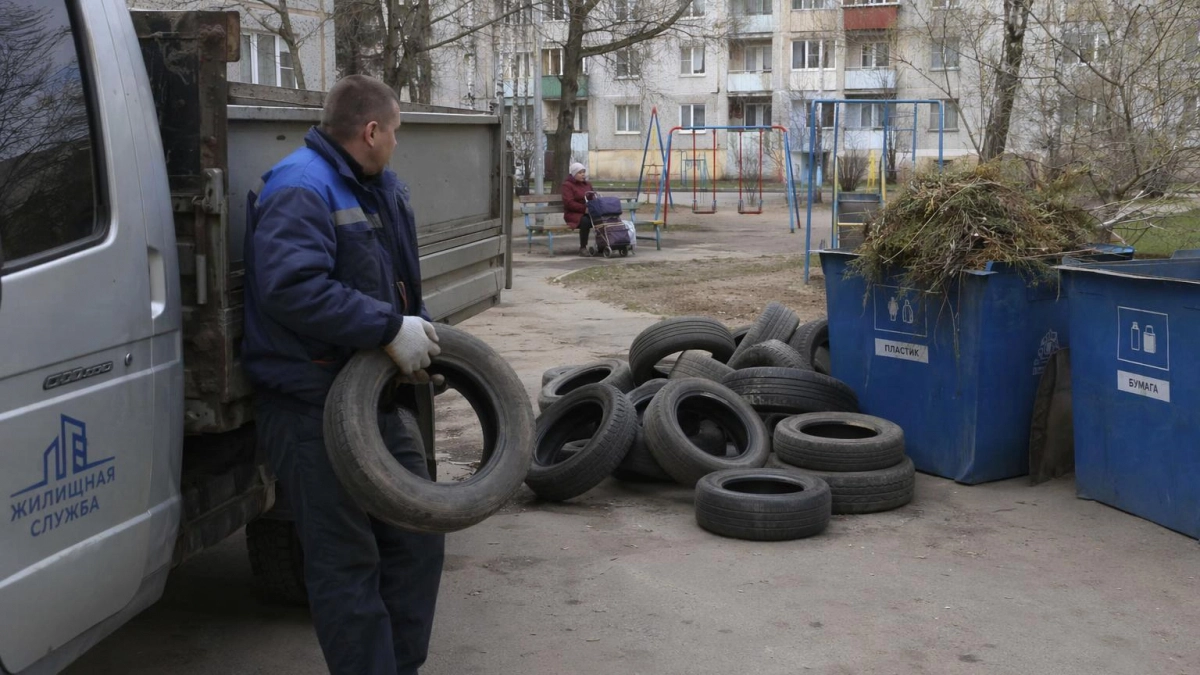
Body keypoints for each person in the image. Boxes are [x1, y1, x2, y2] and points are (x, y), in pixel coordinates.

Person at [241, 74, 444, 675]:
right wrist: (387, 329)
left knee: (418, 539)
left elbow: (401, 283)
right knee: (345, 560)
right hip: (309, 402)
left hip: (375, 400)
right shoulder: (302, 187)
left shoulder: (378, 187)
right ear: (372, 130)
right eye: (397, 132)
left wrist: (425, 341)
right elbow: (291, 289)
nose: (398, 144)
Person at [561, 162, 595, 256]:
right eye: (580, 172)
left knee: (601, 219)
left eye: (583, 172)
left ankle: (603, 244)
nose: (583, 174)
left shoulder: (587, 184)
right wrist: (584, 209)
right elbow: (569, 203)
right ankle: (583, 247)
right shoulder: (567, 185)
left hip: (588, 212)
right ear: (574, 174)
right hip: (573, 214)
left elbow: (593, 197)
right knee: (585, 221)